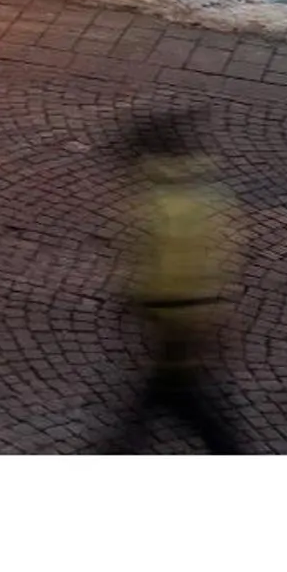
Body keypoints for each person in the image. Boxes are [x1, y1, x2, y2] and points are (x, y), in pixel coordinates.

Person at [106, 108, 246, 453]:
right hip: (198, 312)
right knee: (175, 396)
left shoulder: (159, 201)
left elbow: (164, 267)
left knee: (178, 398)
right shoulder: (209, 193)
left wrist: (138, 300)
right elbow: (224, 252)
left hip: (175, 319)